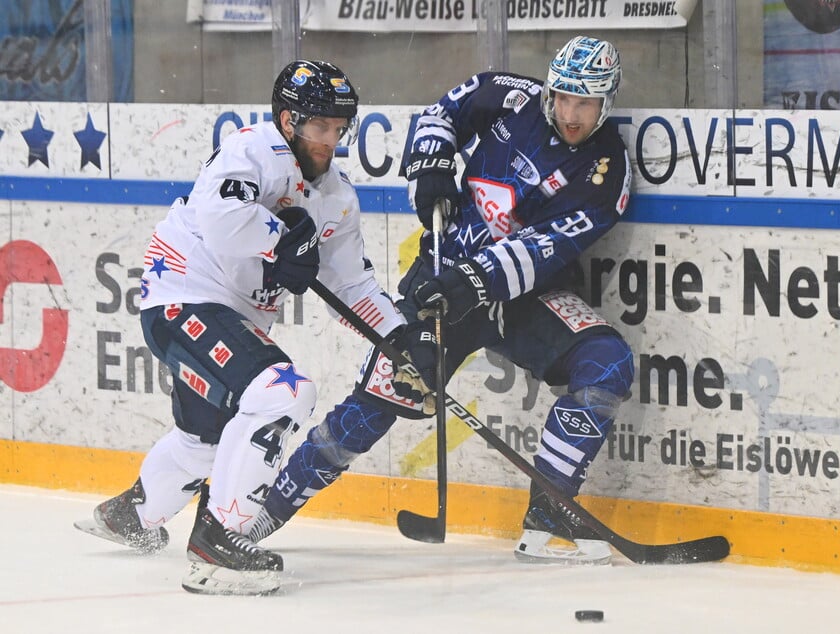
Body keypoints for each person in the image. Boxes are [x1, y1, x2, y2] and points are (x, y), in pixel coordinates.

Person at [250, 35, 635, 565]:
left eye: (585, 103)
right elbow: (442, 113)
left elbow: (547, 248)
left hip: (524, 297)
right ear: (550, 89)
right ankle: (259, 510)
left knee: (608, 363)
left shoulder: (607, 170)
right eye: (564, 97)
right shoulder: (510, 94)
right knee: (371, 409)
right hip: (439, 285)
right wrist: (431, 163)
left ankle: (549, 514)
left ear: (606, 102)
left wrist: (474, 278)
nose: (570, 114)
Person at [74, 60, 405, 594]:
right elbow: (219, 219)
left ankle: (131, 516)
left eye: (338, 129)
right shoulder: (253, 150)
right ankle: (218, 542)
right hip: (181, 298)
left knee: (205, 442)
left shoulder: (338, 199)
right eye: (319, 126)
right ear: (287, 120)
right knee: (285, 390)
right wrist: (283, 240)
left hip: (226, 317)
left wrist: (402, 338)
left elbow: (352, 288)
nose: (329, 140)